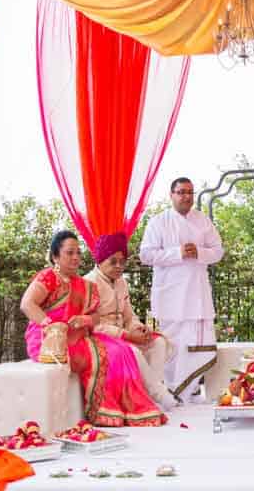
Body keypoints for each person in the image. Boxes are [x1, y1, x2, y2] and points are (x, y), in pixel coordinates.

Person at [21, 229, 166, 428]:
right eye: (69, 253)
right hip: (49, 340)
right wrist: (50, 325)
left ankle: (127, 407)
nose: (75, 257)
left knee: (120, 350)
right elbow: (27, 304)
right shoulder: (48, 277)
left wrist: (85, 319)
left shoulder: (83, 284)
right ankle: (105, 410)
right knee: (110, 353)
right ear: (55, 256)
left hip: (78, 336)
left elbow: (96, 316)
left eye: (78, 253)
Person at [139, 178, 224, 401]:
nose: (186, 196)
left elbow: (217, 251)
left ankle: (191, 388)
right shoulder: (159, 222)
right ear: (171, 194)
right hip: (171, 297)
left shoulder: (202, 221)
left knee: (198, 341)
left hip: (197, 295)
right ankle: (173, 391)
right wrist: (178, 253)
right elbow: (146, 255)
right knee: (173, 346)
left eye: (189, 192)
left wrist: (199, 253)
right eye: (181, 192)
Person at [84, 231, 176, 410]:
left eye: (122, 261)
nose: (119, 266)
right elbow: (93, 325)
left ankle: (153, 394)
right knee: (132, 350)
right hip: (101, 338)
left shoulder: (121, 282)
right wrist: (126, 335)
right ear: (100, 260)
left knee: (158, 343)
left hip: (123, 335)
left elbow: (129, 315)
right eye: (113, 261)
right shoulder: (89, 283)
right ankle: (159, 394)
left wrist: (139, 328)